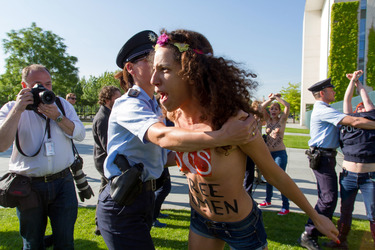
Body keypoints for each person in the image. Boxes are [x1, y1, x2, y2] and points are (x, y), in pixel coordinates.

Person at [151, 29, 339, 250]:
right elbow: (173, 153)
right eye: (154, 69)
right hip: (201, 221)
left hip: (241, 227)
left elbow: (272, 172)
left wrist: (315, 216)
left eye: (164, 69)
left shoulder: (235, 121)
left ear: (192, 71)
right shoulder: (174, 115)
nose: (153, 79)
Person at [96, 30, 258, 250]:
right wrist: (223, 137)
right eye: (148, 59)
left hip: (143, 197)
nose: (155, 63)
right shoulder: (129, 104)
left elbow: (163, 158)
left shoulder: (155, 105)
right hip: (122, 201)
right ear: (130, 69)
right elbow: (163, 137)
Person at [0, 64, 85, 249]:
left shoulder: (62, 104)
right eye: (37, 84)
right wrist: (18, 110)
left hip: (63, 182)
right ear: (24, 86)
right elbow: (1, 144)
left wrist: (58, 117)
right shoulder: (11, 108)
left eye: (48, 84)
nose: (44, 89)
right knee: (32, 243)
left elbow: (79, 134)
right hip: (28, 186)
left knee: (65, 242)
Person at [299, 77, 375, 250]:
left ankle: (312, 233)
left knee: (328, 199)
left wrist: (355, 82)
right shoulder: (322, 110)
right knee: (328, 199)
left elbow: (350, 110)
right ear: (322, 93)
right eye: (331, 90)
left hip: (326, 157)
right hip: (323, 158)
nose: (334, 92)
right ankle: (308, 234)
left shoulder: (326, 108)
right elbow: (354, 121)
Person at [323, 70, 375, 248]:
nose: (359, 108)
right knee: (345, 211)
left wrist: (359, 84)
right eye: (357, 107)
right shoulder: (348, 120)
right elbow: (346, 101)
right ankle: (340, 241)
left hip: (370, 177)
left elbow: (366, 99)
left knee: (373, 213)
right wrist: (352, 81)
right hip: (348, 176)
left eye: (362, 107)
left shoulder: (371, 120)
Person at [92, 85, 122, 235]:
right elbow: (107, 145)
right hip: (104, 161)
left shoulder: (109, 114)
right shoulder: (103, 118)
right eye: (117, 98)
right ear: (107, 99)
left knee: (105, 190)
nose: (120, 101)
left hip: (105, 160)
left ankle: (101, 223)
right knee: (106, 192)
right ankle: (101, 224)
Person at [257, 93, 290, 216]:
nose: (273, 111)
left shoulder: (282, 120)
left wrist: (277, 98)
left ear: (279, 111)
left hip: (280, 153)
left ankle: (285, 206)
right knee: (269, 178)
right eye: (272, 108)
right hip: (268, 153)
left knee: (280, 179)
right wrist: (270, 99)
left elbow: (287, 105)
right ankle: (268, 200)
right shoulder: (268, 120)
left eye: (276, 109)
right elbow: (260, 108)